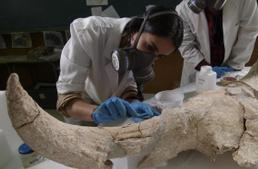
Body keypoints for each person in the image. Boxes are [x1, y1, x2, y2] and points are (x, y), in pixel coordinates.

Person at [56, 5, 184, 125]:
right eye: (149, 47)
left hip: (111, 108)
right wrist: (96, 113)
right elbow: (66, 100)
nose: (149, 59)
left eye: (159, 56)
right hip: (81, 104)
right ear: (137, 30)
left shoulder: (143, 50)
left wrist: (132, 102)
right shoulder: (89, 32)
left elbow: (129, 85)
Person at [176, 0, 258, 86]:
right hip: (198, 73)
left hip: (230, 68)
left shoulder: (245, 2)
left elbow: (250, 31)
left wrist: (234, 65)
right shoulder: (183, 9)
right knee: (195, 97)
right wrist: (204, 67)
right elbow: (185, 45)